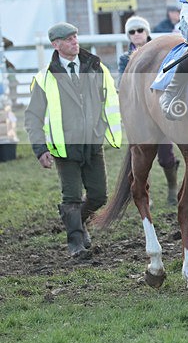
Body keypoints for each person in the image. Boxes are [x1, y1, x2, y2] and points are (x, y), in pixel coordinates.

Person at [24, 23, 122, 259]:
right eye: (68, 39)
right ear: (56, 45)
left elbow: (109, 99)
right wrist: (40, 149)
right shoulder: (44, 79)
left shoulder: (96, 68)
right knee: (72, 197)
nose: (74, 42)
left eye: (75, 37)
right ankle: (76, 244)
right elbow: (32, 117)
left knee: (99, 196)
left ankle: (79, 220)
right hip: (63, 148)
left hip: (92, 143)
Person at [118, 15, 180, 205]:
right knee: (141, 155)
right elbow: (123, 84)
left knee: (166, 156)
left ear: (146, 32)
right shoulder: (124, 59)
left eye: (140, 30)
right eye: (132, 32)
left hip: (159, 108)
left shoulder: (161, 53)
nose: (137, 35)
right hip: (138, 113)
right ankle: (145, 192)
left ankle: (172, 188)